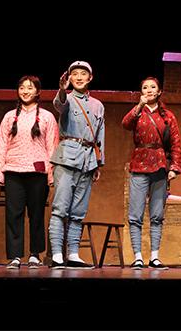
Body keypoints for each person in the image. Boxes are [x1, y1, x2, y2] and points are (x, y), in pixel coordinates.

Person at [0, 75, 59, 269]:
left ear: (38, 91)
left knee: (36, 214)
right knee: (13, 214)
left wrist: (51, 175)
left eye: (30, 88)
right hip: (13, 170)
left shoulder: (47, 116)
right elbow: (1, 145)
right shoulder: (9, 116)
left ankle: (34, 254)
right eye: (22, 88)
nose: (25, 91)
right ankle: (14, 256)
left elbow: (52, 147)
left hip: (37, 172)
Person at [48, 60, 105, 269]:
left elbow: (100, 135)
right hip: (66, 158)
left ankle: (73, 254)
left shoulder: (98, 105)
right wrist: (62, 90)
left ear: (90, 77)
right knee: (60, 209)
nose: (79, 77)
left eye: (83, 73)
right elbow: (59, 104)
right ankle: (57, 255)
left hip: (88, 161)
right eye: (75, 74)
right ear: (69, 78)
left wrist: (98, 163)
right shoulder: (67, 98)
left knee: (78, 212)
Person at [122, 77, 181, 270]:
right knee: (135, 215)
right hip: (139, 164)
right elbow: (126, 123)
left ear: (159, 91)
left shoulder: (168, 116)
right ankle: (138, 256)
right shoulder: (138, 112)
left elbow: (176, 143)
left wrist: (174, 167)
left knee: (157, 214)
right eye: (145, 87)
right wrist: (139, 105)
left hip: (160, 165)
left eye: (152, 87)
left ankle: (154, 256)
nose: (149, 90)